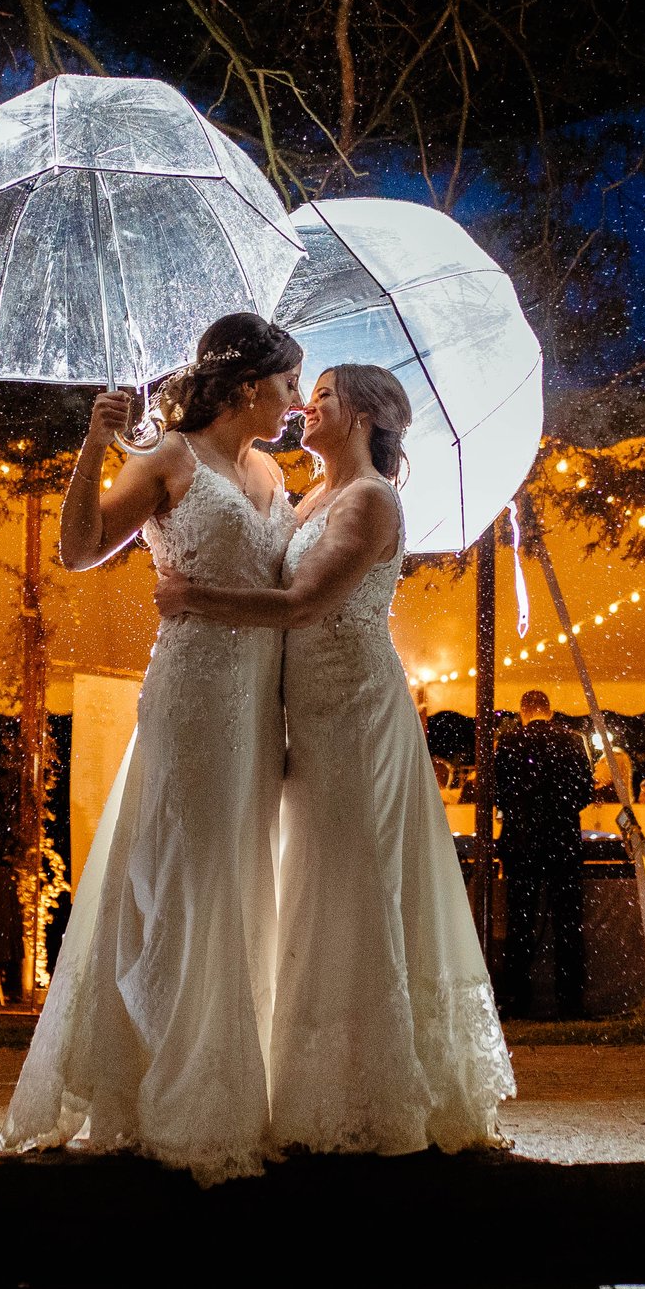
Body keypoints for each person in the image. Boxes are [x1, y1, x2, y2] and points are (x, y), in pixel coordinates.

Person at [156, 363, 511, 1155]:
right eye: (305, 393)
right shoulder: (308, 497)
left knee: (353, 877)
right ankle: (314, 1079)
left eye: (322, 397)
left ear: (361, 416)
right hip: (303, 709)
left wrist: (193, 600)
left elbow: (306, 603)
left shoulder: (373, 499)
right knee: (314, 875)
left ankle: (368, 1087)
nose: (306, 406)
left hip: (354, 708)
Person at [5, 313, 301, 1183]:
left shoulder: (274, 471)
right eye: (288, 382)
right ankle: (158, 1086)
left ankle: (231, 1081)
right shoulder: (171, 457)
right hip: (193, 695)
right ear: (250, 383)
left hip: (258, 700)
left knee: (243, 876)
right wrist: (95, 445)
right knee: (185, 871)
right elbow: (79, 547)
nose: (292, 400)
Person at [492, 689, 590, 1019]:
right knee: (568, 924)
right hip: (562, 842)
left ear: (523, 712)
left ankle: (518, 998)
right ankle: (570, 1000)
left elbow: (497, 792)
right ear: (549, 712)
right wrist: (559, 811)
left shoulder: (508, 743)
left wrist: (521, 813)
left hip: (522, 844)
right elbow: (584, 792)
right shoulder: (572, 740)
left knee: (520, 923)